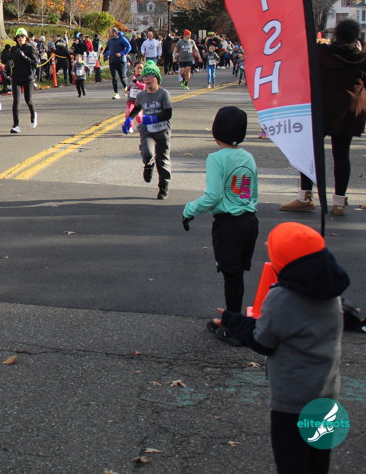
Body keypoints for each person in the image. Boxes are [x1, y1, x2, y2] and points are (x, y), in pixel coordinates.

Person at [215, 222, 349, 474]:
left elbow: (261, 340)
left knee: (291, 462)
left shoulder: (283, 297)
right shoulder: (331, 293)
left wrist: (232, 320)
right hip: (327, 393)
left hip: (292, 401)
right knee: (318, 460)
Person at [182, 106, 259, 345]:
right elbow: (252, 191)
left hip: (229, 225)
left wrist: (189, 210)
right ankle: (231, 319)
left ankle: (234, 326)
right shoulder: (248, 157)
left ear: (216, 132)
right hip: (249, 221)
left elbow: (213, 196)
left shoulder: (216, 159)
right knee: (237, 275)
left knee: (231, 275)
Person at [280, 19, 366, 216]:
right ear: (355, 37)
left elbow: (304, 73)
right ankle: (339, 202)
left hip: (320, 106)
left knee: (310, 152)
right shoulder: (362, 58)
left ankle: (305, 196)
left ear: (336, 34)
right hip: (348, 109)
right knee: (342, 154)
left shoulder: (320, 53)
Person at [122, 60, 172, 199]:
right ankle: (148, 165)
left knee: (162, 160)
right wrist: (129, 119)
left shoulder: (164, 94)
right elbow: (137, 108)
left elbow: (168, 114)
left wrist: (154, 118)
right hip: (147, 129)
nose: (147, 79)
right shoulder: (141, 95)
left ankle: (163, 186)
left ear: (157, 78)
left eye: (151, 76)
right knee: (147, 152)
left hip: (162, 130)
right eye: (145, 76)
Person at [7, 28, 37, 132]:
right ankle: (16, 125)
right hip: (16, 77)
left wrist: (25, 57)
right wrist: (9, 63)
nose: (20, 38)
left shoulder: (30, 48)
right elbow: (10, 59)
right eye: (18, 37)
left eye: (22, 36)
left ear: (26, 38)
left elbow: (35, 63)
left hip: (28, 77)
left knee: (28, 100)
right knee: (16, 101)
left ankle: (33, 116)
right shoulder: (14, 49)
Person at [105, 27, 131, 99]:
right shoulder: (110, 41)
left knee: (122, 77)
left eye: (111, 33)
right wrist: (106, 54)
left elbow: (129, 47)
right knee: (114, 78)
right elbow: (109, 49)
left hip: (121, 61)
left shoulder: (122, 39)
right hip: (112, 61)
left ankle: (126, 88)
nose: (110, 34)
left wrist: (121, 53)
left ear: (115, 33)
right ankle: (116, 93)